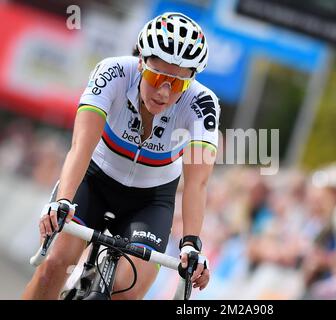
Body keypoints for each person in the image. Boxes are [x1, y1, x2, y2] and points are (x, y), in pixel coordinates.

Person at [22, 12, 220, 300]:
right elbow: (81, 145)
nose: (164, 93)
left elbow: (197, 183)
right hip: (93, 180)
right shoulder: (113, 71)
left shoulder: (202, 103)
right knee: (54, 266)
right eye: (157, 77)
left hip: (150, 200)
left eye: (177, 84)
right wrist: (63, 201)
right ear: (141, 62)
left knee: (128, 290)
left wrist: (191, 244)